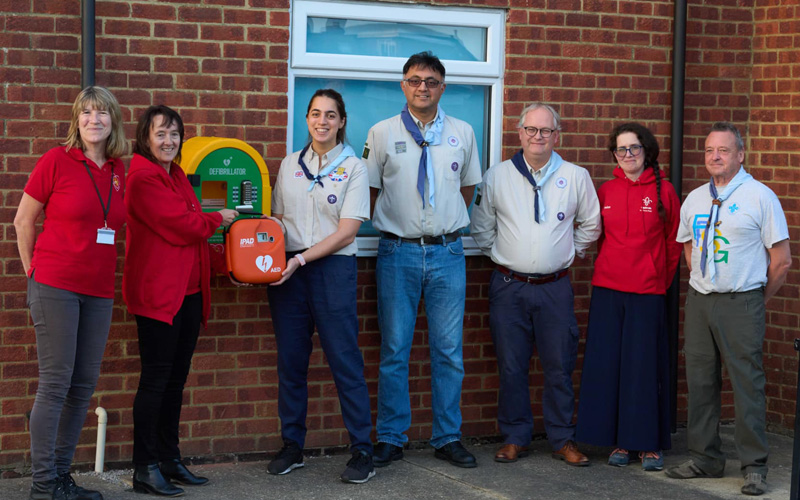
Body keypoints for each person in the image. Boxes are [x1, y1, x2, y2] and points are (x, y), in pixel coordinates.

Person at [362, 51, 482, 468]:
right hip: (398, 252)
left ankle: (447, 436)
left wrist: (443, 226)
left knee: (448, 350)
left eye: (431, 81)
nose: (423, 87)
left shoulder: (463, 132)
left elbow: (467, 190)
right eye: (415, 80)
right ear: (403, 85)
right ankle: (392, 438)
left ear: (442, 87)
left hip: (448, 252)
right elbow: (371, 193)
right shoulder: (380, 133)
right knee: (396, 350)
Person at [471, 103, 601, 467]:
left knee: (558, 365)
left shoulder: (576, 176)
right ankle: (516, 437)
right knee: (511, 365)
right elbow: (481, 225)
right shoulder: (497, 176)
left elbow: (591, 223)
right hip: (509, 286)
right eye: (531, 130)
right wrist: (503, 254)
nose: (538, 137)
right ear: (520, 133)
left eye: (546, 131)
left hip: (554, 288)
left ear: (557, 135)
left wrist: (567, 253)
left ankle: (562, 437)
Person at [666, 122, 791, 496]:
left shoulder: (759, 196)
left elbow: (781, 260)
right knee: (701, 381)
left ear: (740, 155)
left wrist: (755, 299)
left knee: (746, 384)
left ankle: (754, 466)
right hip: (701, 300)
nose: (715, 157)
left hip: (742, 301)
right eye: (709, 150)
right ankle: (705, 457)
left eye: (723, 150)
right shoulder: (695, 199)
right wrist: (703, 279)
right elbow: (687, 244)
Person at [14, 86, 125, 500]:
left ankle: (61, 476)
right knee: (56, 384)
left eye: (102, 113)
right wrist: (33, 272)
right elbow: (23, 221)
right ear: (77, 121)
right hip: (55, 286)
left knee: (83, 385)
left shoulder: (117, 171)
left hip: (97, 292)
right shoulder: (56, 161)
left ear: (113, 121)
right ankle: (43, 486)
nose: (94, 120)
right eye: (87, 113)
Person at [123, 105, 238, 497]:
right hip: (159, 296)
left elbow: (192, 234)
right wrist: (218, 218)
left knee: (175, 381)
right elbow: (183, 226)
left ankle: (169, 460)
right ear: (145, 137)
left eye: (174, 134)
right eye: (161, 134)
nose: (169, 141)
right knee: (155, 381)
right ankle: (145, 467)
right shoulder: (142, 177)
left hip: (188, 294)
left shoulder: (175, 175)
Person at [265, 89, 374, 484]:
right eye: (315, 114)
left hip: (331, 272)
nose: (322, 121)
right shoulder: (290, 164)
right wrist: (258, 251)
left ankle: (363, 450)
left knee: (345, 363)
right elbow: (278, 218)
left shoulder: (355, 167)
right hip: (289, 276)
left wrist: (300, 259)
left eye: (330, 115)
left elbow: (347, 232)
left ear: (342, 121)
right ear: (307, 119)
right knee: (291, 364)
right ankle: (292, 445)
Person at [575, 123, 681, 471]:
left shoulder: (664, 191)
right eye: (621, 150)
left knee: (644, 368)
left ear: (646, 151)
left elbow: (672, 244)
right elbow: (598, 237)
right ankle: (619, 441)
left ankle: (648, 443)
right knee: (611, 368)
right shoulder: (605, 190)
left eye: (633, 148)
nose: (628, 155)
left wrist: (657, 280)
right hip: (608, 289)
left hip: (647, 291)